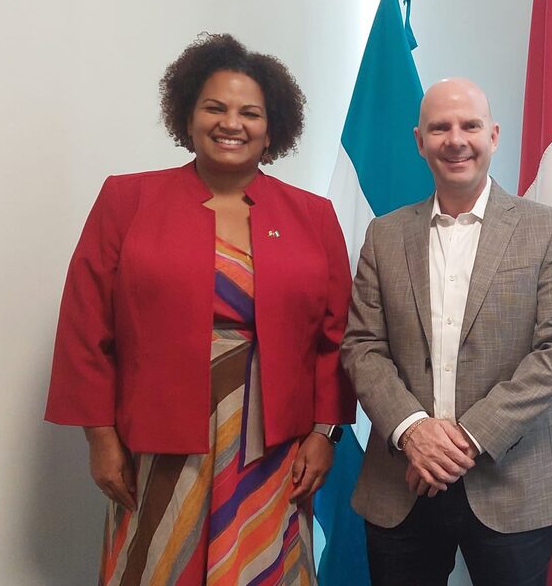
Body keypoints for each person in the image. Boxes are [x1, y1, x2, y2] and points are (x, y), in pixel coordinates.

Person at [45, 33, 355, 585]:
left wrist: (323, 435)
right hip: (156, 440)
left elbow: (335, 337)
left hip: (274, 444)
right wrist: (99, 437)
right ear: (187, 116)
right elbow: (84, 326)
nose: (230, 122)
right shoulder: (126, 199)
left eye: (249, 113)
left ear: (271, 128)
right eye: (214, 107)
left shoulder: (313, 215)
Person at [341, 78, 552, 586]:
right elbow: (363, 346)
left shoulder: (549, 230)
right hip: (400, 484)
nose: (456, 139)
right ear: (419, 141)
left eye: (469, 125)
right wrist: (412, 431)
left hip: (512, 484)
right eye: (440, 128)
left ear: (493, 135)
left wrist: (466, 439)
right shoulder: (384, 235)